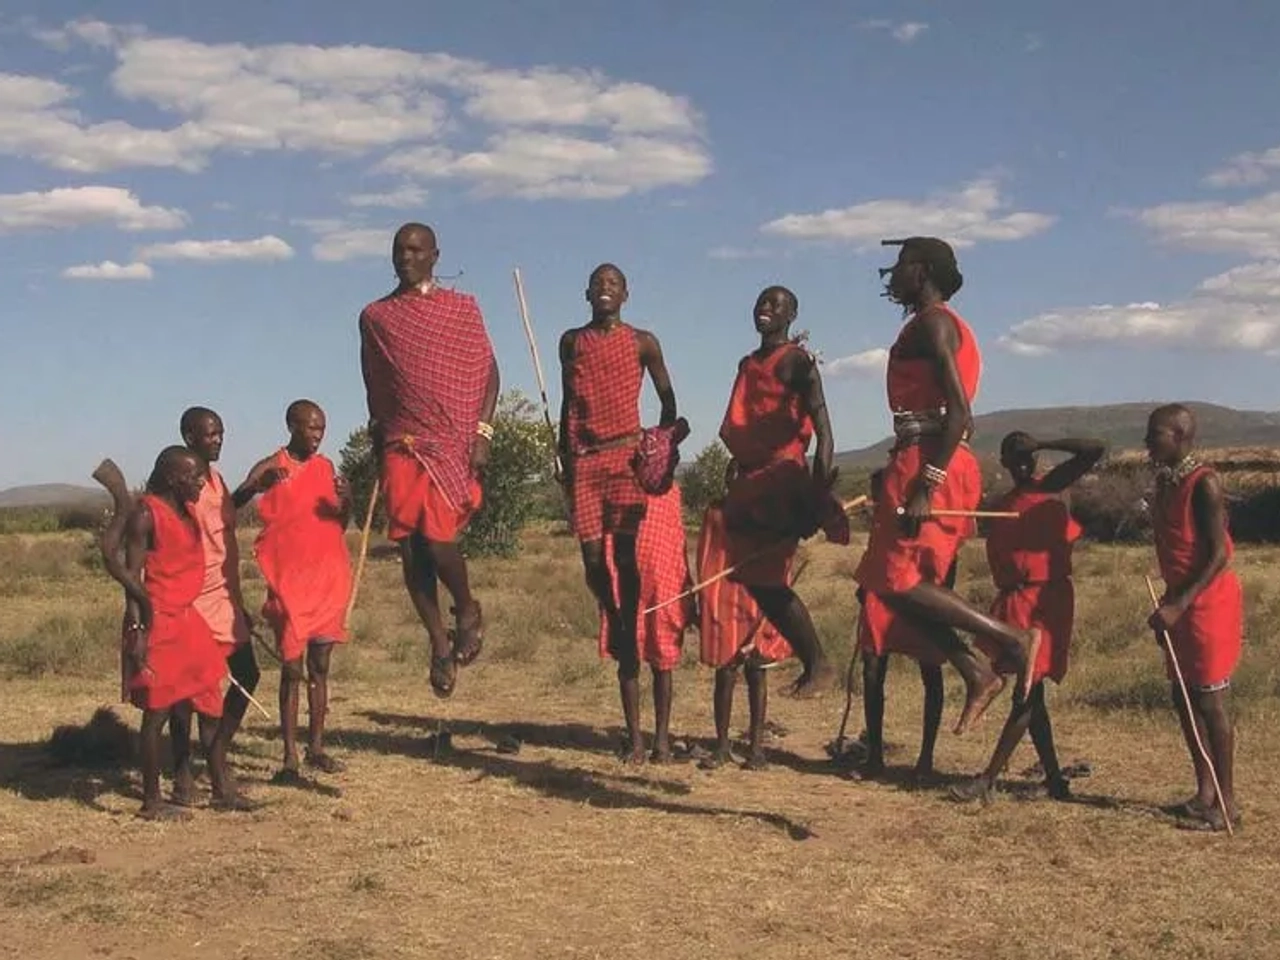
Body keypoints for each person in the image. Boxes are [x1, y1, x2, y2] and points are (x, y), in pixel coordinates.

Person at [853, 237, 1039, 735]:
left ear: (922, 271)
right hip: (920, 458)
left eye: (900, 265)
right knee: (888, 584)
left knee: (895, 581)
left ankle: (1009, 640)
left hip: (932, 461)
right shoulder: (935, 324)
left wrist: (925, 485)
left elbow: (959, 411)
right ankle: (975, 670)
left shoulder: (935, 323)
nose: (891, 274)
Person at [359, 223, 500, 699]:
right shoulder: (376, 316)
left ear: (435, 256)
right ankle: (439, 642)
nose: (406, 257)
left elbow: (488, 372)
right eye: (399, 249)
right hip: (401, 442)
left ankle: (467, 608)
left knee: (439, 541)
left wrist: (483, 432)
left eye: (416, 250)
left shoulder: (462, 309)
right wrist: (377, 428)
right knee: (411, 549)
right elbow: (373, 378)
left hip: (452, 441)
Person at [558, 262, 678, 764]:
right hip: (586, 462)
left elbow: (669, 401)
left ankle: (627, 624)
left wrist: (661, 443)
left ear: (626, 294)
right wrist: (562, 454)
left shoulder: (642, 342)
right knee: (592, 562)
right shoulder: (572, 342)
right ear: (586, 292)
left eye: (613, 284)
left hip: (627, 455)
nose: (605, 290)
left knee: (625, 558)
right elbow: (568, 403)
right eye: (598, 284)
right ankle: (619, 622)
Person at [949, 433, 1106, 804]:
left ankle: (987, 779)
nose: (1022, 464)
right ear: (1003, 461)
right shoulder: (1003, 504)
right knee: (1031, 692)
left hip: (1047, 600)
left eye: (1027, 457)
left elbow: (1093, 448)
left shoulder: (1051, 486)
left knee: (1027, 691)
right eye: (1015, 457)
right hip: (1016, 599)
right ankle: (1054, 780)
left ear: (1035, 458)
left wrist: (1043, 442)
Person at [717, 285, 843, 699]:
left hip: (782, 480)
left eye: (776, 304)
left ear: (792, 315)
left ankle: (818, 662)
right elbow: (745, 423)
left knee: (768, 579)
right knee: (753, 577)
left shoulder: (797, 363)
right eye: (761, 302)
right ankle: (812, 660)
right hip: (750, 483)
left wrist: (817, 496)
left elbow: (824, 433)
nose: (765, 309)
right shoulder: (747, 363)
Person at [118, 446, 244, 819]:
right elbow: (132, 578)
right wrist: (138, 631)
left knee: (209, 701)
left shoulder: (188, 511)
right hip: (157, 623)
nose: (201, 482)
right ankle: (152, 801)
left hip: (188, 621)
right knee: (156, 713)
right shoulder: (146, 514)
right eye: (193, 476)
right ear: (173, 477)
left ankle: (221, 789)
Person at [236, 400, 354, 781]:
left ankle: (316, 747)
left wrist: (348, 499)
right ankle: (289, 757)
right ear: (292, 426)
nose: (318, 436)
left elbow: (340, 521)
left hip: (326, 578)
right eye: (311, 428)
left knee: (321, 668)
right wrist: (257, 486)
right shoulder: (273, 465)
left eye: (322, 429)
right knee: (291, 669)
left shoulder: (326, 469)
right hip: (289, 584)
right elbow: (233, 502)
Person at [1144, 404, 1242, 832]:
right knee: (1182, 697)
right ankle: (1205, 792)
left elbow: (1219, 554)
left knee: (1209, 700)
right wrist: (1170, 603)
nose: (1147, 442)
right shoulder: (1168, 482)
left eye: (1156, 434)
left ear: (1181, 436)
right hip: (1178, 602)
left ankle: (1227, 803)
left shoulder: (1205, 484)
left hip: (1206, 605)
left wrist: (1180, 604)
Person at [174, 406, 260, 802]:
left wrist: (252, 488)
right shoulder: (184, 484)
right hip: (194, 598)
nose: (218, 440)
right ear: (190, 437)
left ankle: (216, 751)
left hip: (225, 594)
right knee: (196, 690)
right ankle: (197, 774)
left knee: (248, 673)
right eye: (210, 434)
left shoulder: (218, 480)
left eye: (221, 433)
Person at [853, 469, 948, 782]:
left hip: (917, 595)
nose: (878, 498)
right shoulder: (880, 522)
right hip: (880, 596)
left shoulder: (921, 516)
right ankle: (875, 755)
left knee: (930, 669)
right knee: (871, 668)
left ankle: (927, 758)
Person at [695, 497, 797, 771]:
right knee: (726, 670)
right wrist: (706, 596)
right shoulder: (715, 511)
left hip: (758, 593)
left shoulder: (770, 510)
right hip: (723, 591)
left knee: (757, 668)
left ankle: (756, 750)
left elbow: (782, 555)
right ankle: (722, 746)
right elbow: (705, 555)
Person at [597, 484, 695, 763]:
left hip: (664, 584)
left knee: (663, 663)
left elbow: (678, 540)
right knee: (628, 662)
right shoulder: (617, 488)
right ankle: (636, 741)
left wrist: (685, 585)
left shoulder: (672, 491)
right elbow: (606, 540)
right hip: (625, 584)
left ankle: (661, 741)